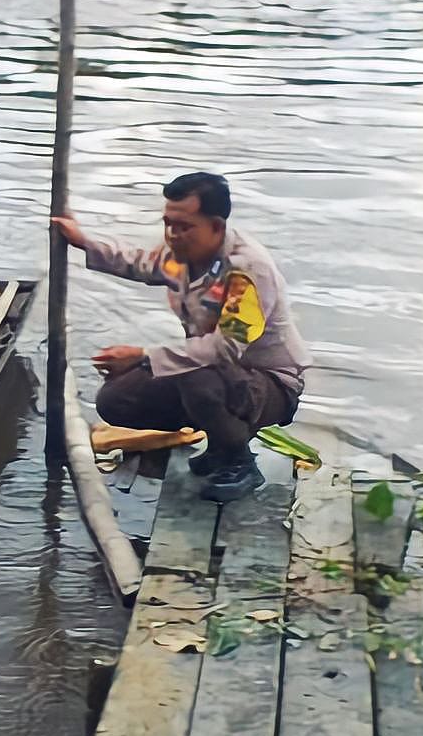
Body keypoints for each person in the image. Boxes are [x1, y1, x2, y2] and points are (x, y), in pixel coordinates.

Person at [52, 172, 311, 502]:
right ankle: (221, 440)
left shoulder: (246, 271)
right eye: (168, 224)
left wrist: (144, 356)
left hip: (270, 384)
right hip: (216, 375)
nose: (172, 235)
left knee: (194, 373)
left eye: (184, 226)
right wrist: (83, 241)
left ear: (216, 227)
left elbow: (226, 347)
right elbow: (140, 264)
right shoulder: (183, 257)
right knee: (115, 399)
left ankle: (238, 460)